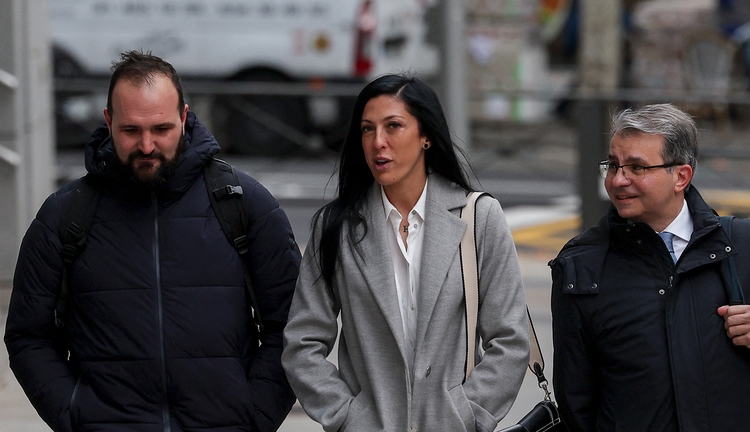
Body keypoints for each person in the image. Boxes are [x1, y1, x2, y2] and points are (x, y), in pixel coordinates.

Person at [4, 51, 301, 431]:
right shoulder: (65, 215)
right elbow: (28, 336)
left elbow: (292, 329)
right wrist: (77, 415)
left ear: (184, 117)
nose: (147, 146)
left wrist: (253, 416)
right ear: (109, 122)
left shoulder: (244, 204)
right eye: (131, 131)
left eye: (161, 129)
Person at [281, 74, 530, 432]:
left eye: (393, 126)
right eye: (367, 129)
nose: (378, 142)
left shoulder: (479, 218)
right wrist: (347, 417)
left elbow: (510, 337)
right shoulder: (336, 226)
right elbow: (302, 344)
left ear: (426, 135)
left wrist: (467, 414)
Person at [550, 103, 750, 431]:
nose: (618, 180)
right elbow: (575, 400)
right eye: (612, 165)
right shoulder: (579, 265)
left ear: (681, 176)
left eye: (636, 168)